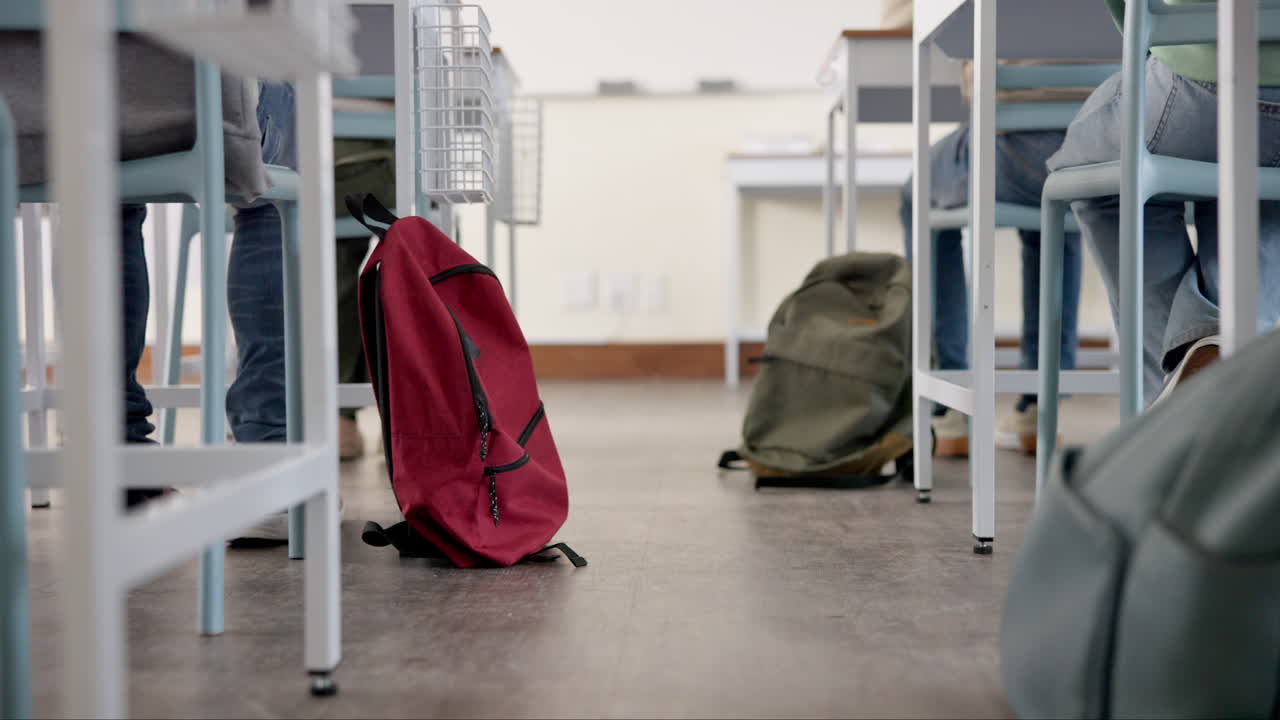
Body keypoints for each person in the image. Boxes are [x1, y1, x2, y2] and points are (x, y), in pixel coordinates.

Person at [1048, 0, 1280, 403]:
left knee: (1099, 181)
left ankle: (1173, 390)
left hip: (1204, 83)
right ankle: (1231, 364)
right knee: (1254, 191)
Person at [885, 0, 1089, 456]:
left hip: (1011, 148)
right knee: (1061, 209)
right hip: (1106, 145)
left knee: (916, 192)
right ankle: (1041, 402)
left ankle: (951, 400)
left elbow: (907, 19)